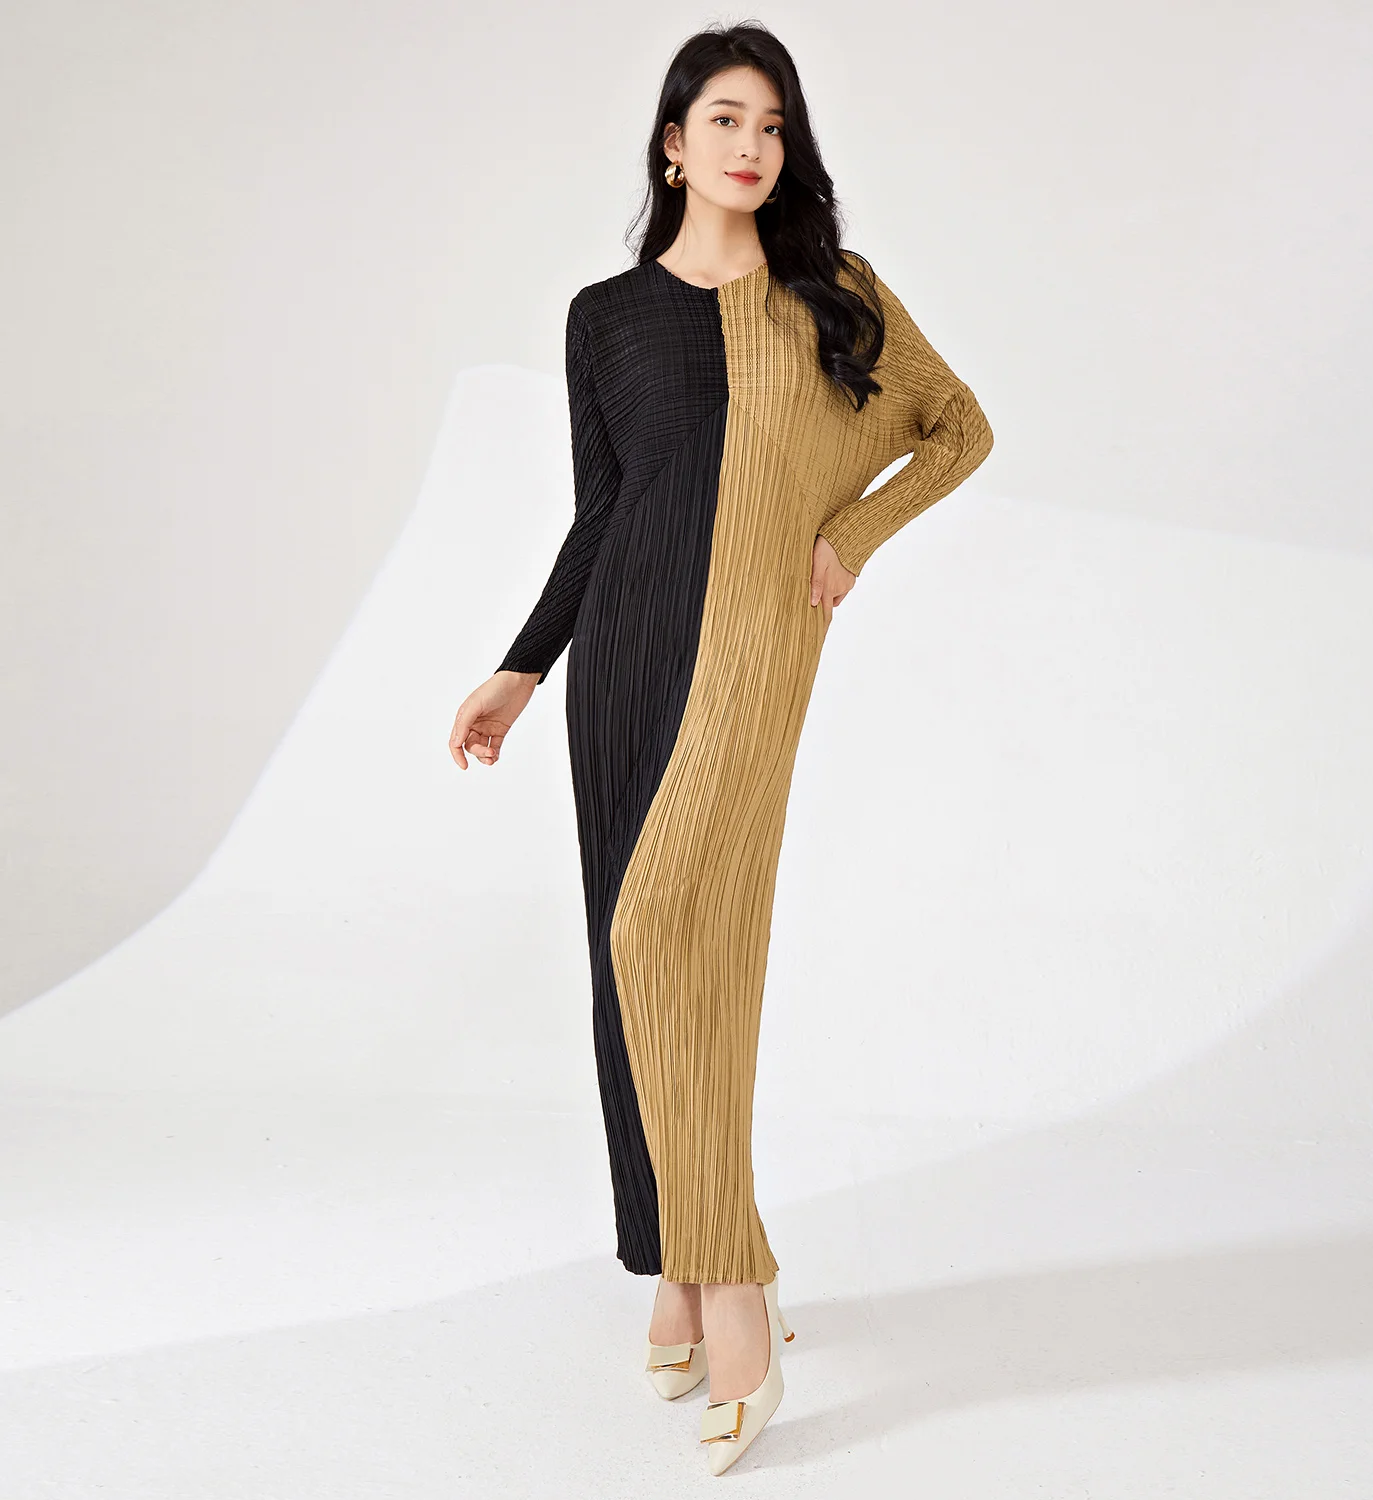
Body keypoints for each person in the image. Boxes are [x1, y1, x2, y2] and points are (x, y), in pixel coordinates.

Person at [447, 21, 993, 1474]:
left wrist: (850, 533)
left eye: (774, 125)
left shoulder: (832, 297)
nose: (753, 146)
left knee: (671, 941)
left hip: (749, 656)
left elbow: (957, 429)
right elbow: (602, 512)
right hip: (619, 661)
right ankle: (675, 1266)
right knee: (630, 963)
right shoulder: (605, 317)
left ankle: (734, 1275)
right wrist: (522, 666)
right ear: (673, 143)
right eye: (727, 120)